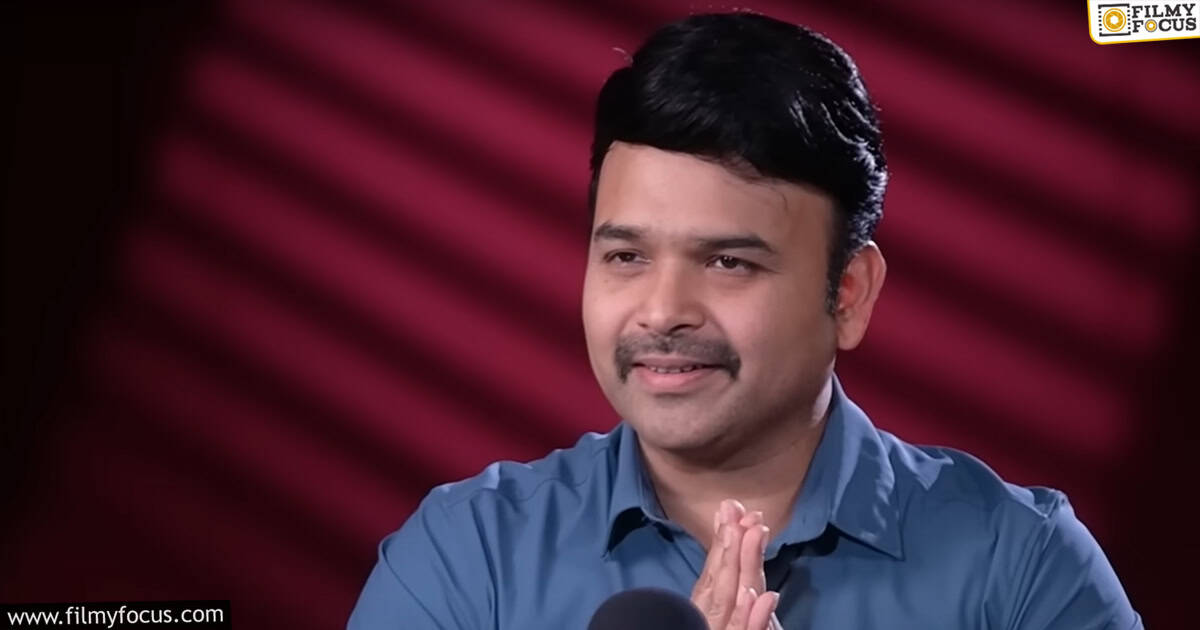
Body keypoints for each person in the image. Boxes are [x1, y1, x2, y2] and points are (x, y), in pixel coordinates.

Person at [347, 12, 1141, 630]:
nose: (663, 310)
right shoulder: (468, 559)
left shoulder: (1020, 567)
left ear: (849, 294)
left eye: (728, 262)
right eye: (626, 256)